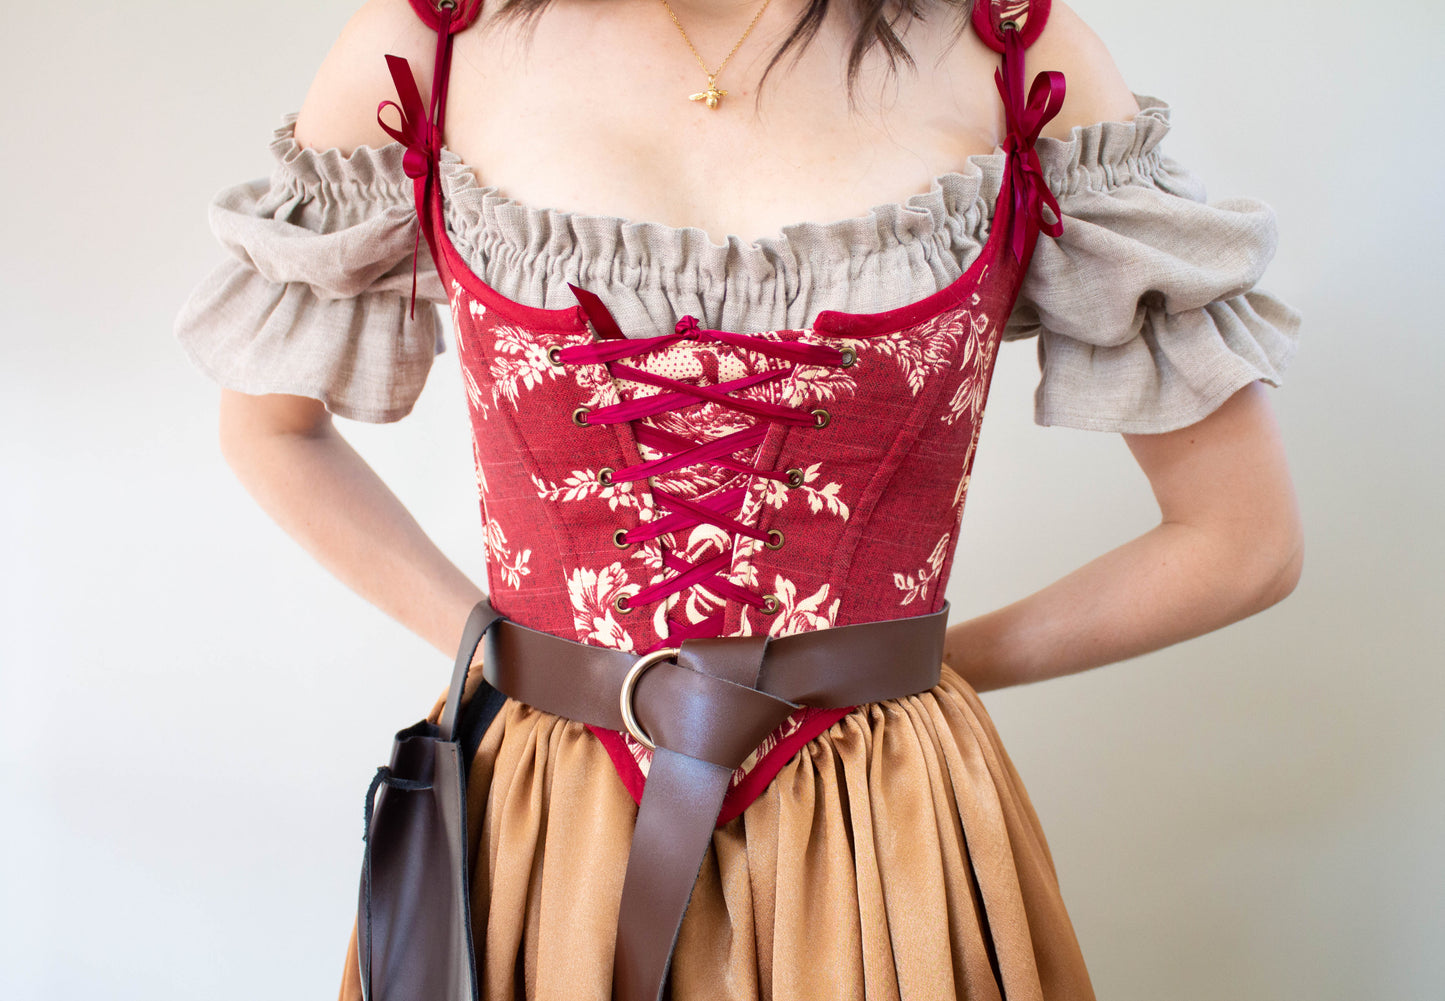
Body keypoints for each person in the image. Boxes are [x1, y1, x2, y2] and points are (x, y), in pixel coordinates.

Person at [174, 0, 1304, 997]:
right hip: (548, 808)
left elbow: (1238, 539)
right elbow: (272, 432)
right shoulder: (426, 47)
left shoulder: (1016, 56)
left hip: (877, 818)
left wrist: (915, 674)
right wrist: (496, 649)